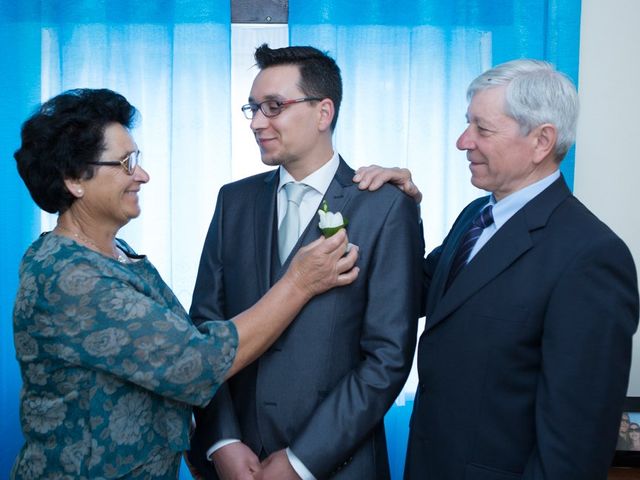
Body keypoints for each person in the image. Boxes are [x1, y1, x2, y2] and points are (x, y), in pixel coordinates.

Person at [11, 88, 359, 479]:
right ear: (74, 179)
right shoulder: (68, 277)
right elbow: (196, 361)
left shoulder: (116, 253)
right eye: (126, 163)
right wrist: (299, 282)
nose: (141, 174)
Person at [354, 59, 639, 479]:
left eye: (482, 129)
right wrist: (398, 214)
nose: (462, 141)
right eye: (467, 124)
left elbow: (575, 445)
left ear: (542, 141)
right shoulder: (475, 215)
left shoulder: (592, 257)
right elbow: (416, 294)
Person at [187, 44, 423, 479]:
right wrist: (221, 440)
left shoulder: (385, 208)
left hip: (336, 465)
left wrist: (301, 461)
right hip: (238, 462)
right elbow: (205, 326)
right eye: (252, 108)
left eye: (274, 107)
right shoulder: (233, 202)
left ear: (323, 112)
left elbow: (387, 358)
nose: (258, 122)